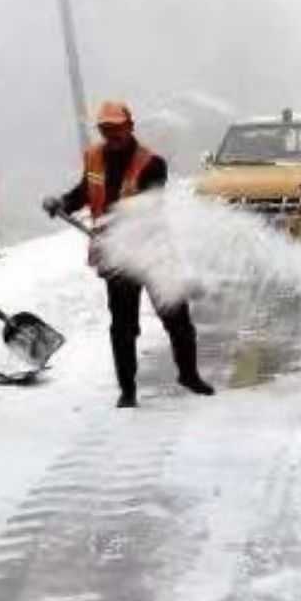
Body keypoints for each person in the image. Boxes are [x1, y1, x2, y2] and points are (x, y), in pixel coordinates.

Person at [43, 100, 214, 408]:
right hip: (115, 256)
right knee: (123, 326)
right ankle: (127, 390)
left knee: (177, 317)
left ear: (130, 127)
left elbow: (147, 208)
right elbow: (84, 191)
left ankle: (188, 374)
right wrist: (63, 203)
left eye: (117, 128)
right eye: (106, 129)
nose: (112, 135)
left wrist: (115, 227)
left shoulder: (152, 164)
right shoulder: (94, 157)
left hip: (153, 251)